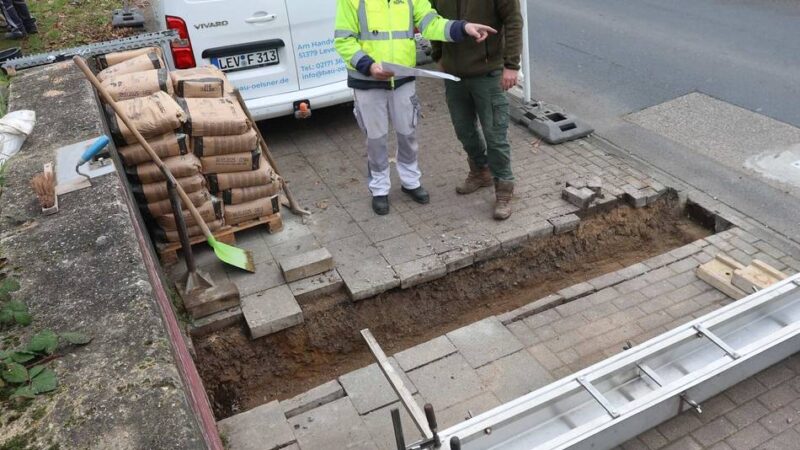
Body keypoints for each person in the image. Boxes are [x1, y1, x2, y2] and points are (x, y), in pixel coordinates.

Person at [334, 0, 496, 215]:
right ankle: (379, 188)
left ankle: (410, 181)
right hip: (367, 81)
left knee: (407, 133)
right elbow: (343, 40)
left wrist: (463, 28)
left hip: (403, 78)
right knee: (375, 138)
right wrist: (369, 65)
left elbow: (432, 23)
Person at [431, 0, 522, 220]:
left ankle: (503, 189)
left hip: (488, 73)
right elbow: (432, 20)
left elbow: (513, 21)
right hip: (454, 75)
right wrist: (438, 55)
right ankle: (481, 171)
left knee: (495, 135)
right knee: (463, 130)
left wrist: (511, 65)